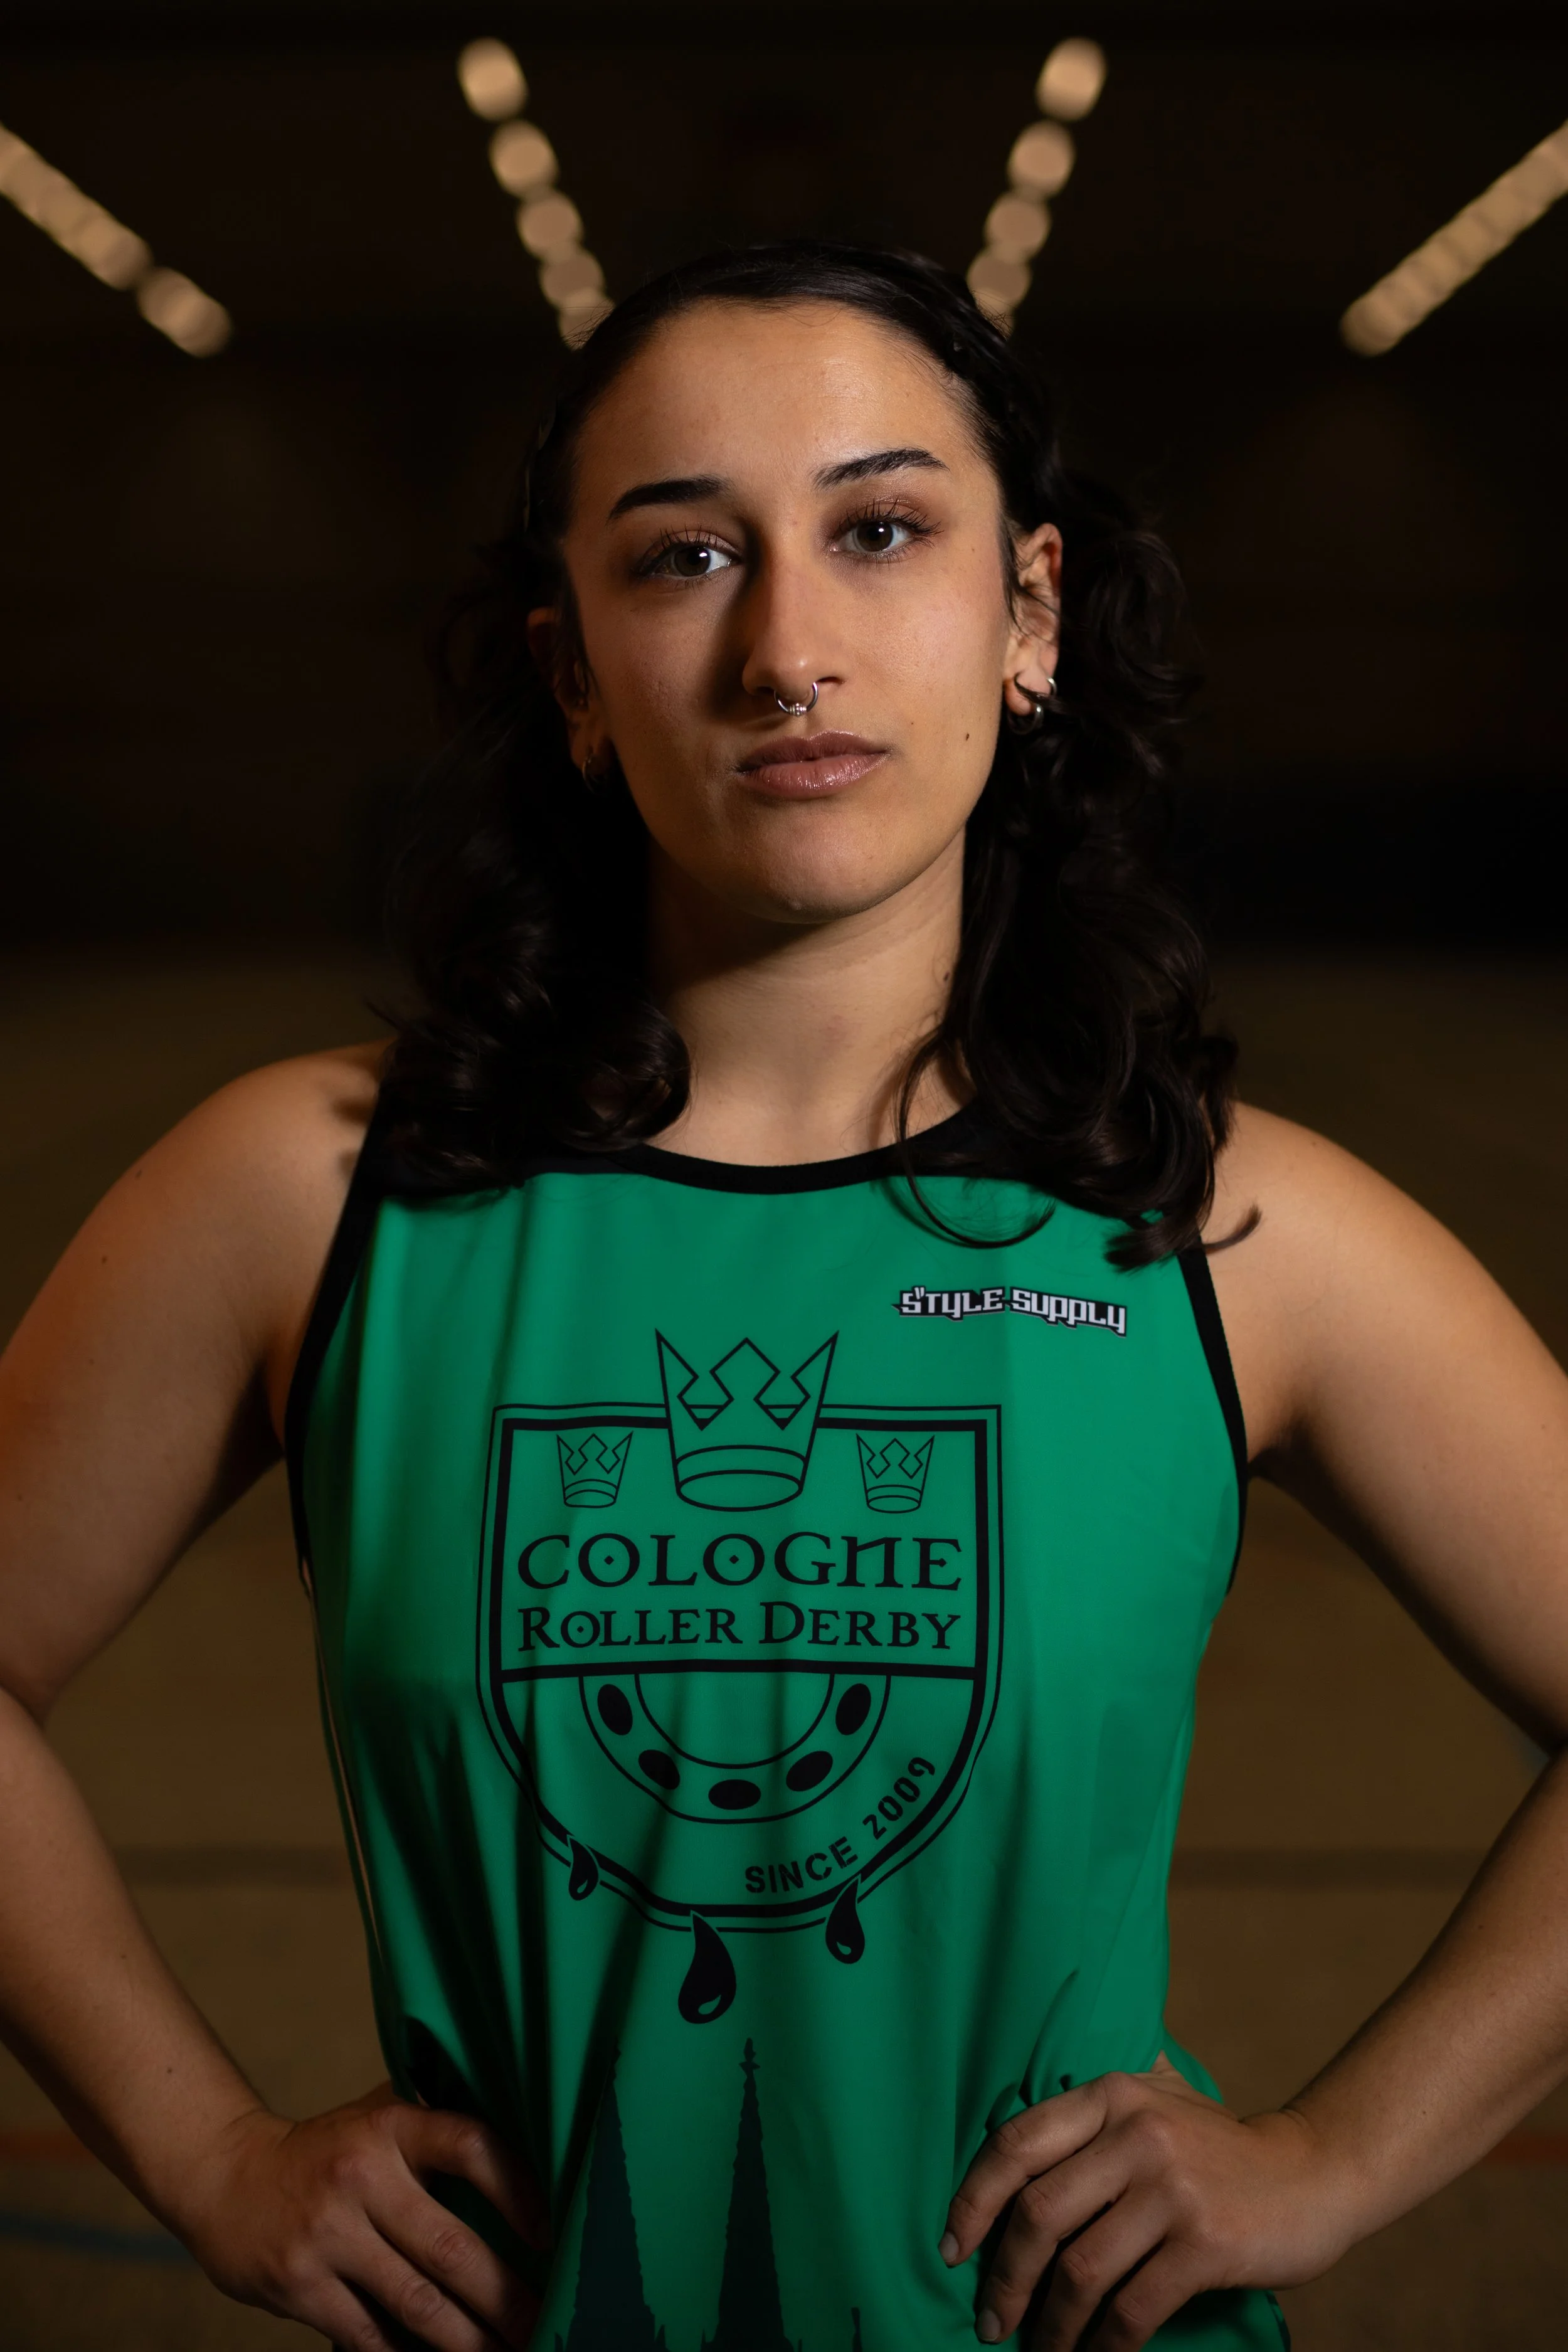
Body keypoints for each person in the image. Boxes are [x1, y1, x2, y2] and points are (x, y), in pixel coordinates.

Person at [3, 240, 1568, 2352]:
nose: (786, 647)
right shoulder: (311, 1198)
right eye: (680, 562)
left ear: (1024, 619)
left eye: (880, 529)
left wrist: (1345, 2147)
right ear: (570, 673)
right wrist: (200, 2145)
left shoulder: (1220, 1235)